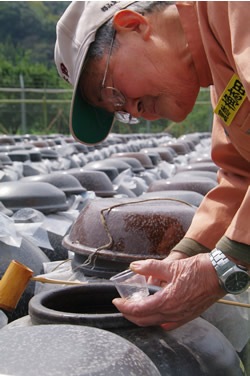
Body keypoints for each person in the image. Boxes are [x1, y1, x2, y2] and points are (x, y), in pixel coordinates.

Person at [55, 1, 250, 331]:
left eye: (115, 94)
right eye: (121, 112)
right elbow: (239, 175)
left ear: (133, 24)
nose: (135, 111)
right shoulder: (223, 77)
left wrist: (225, 264)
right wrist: (187, 255)